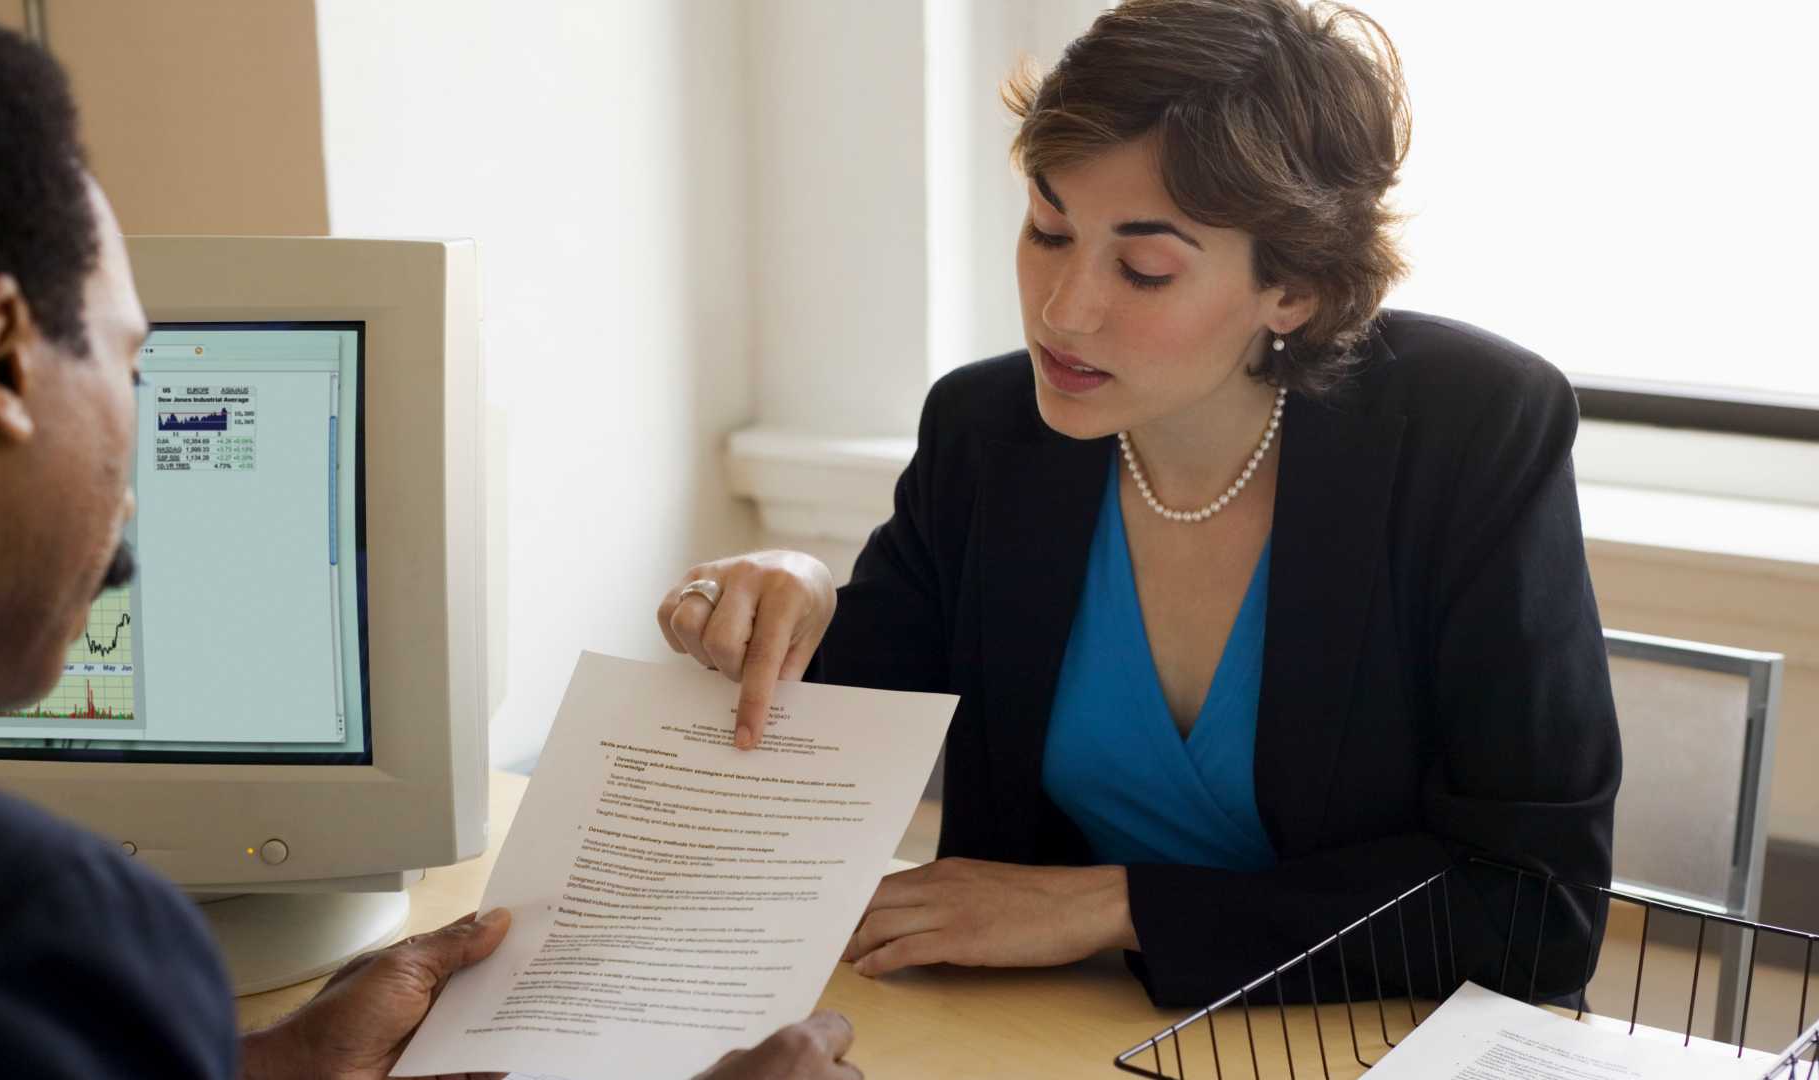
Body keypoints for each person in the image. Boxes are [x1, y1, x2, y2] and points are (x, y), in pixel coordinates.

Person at [0, 14, 858, 1079]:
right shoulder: (25, 937)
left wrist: (277, 1066)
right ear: (2, 361)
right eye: (130, 368)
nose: (130, 499)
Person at [658, 0, 1621, 1007]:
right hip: (1048, 1036)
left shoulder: (1469, 431)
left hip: (1361, 1042)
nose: (1063, 312)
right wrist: (793, 600)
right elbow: (836, 728)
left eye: (1145, 268)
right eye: (1047, 228)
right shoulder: (989, 433)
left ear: (1291, 290)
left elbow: (1535, 911)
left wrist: (1116, 905)